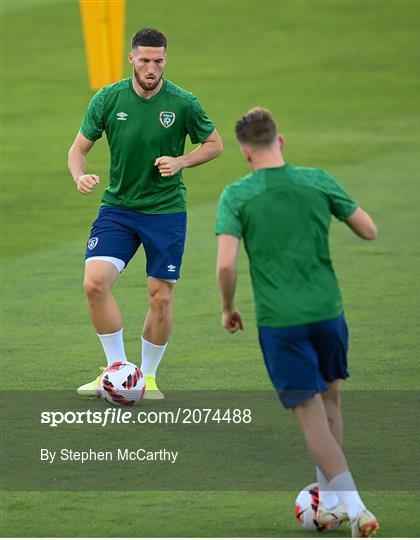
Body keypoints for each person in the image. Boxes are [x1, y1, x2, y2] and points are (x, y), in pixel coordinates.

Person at [215, 108, 379, 537]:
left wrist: (228, 307)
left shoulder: (237, 195)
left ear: (245, 152)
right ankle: (329, 504)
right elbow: (369, 230)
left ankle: (355, 506)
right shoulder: (318, 180)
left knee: (310, 417)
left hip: (280, 323)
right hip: (328, 313)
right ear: (280, 141)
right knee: (331, 406)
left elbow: (226, 265)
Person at [68, 28, 223, 399]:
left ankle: (148, 377)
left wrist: (182, 160)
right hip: (118, 209)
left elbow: (215, 144)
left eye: (158, 61)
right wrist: (79, 175)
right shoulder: (108, 98)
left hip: (165, 212)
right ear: (132, 59)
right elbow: (77, 149)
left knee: (161, 297)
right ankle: (118, 369)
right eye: (145, 60)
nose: (151, 67)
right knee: (94, 284)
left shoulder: (183, 103)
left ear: (165, 60)